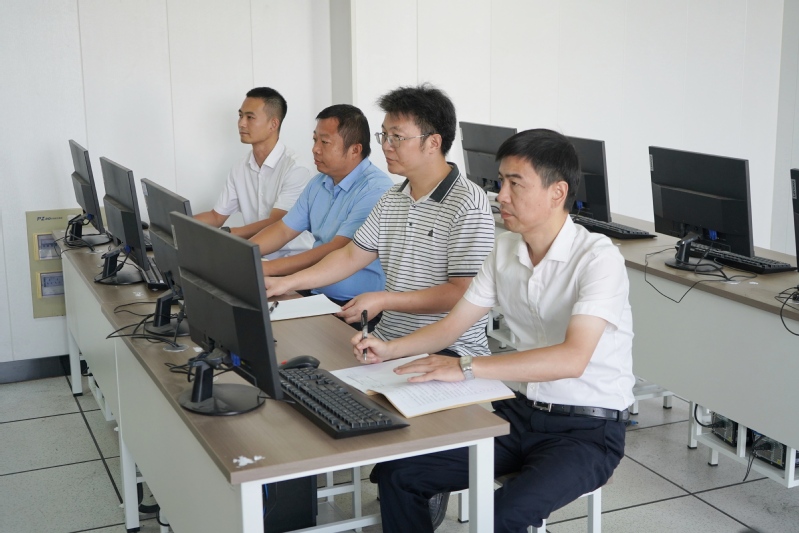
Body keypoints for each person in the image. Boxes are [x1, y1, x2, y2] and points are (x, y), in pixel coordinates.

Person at [353, 129, 635, 532]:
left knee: (499, 517)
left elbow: (572, 359)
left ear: (557, 192)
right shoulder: (504, 249)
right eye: (500, 182)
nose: (500, 195)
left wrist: (466, 366)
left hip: (586, 431)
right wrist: (389, 348)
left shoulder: (598, 259)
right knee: (399, 474)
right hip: (521, 414)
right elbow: (452, 326)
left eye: (515, 184)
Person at [264, 84, 495, 355]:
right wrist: (286, 282)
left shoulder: (468, 202)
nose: (386, 145)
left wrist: (385, 300)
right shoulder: (392, 198)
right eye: (384, 135)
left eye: (397, 137)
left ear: (433, 143)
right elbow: (350, 256)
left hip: (449, 350)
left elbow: (462, 292)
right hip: (386, 339)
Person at [250, 104, 392, 307]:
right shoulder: (318, 183)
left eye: (325, 142)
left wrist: (268, 268)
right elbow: (283, 230)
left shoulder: (375, 189)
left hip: (355, 305)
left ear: (355, 150)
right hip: (315, 293)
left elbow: (337, 248)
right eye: (315, 140)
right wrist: (245, 255)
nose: (315, 149)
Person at [194, 87, 313, 258]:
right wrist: (176, 224)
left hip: (293, 260)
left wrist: (228, 234)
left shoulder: (296, 168)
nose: (241, 123)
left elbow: (277, 222)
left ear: (273, 124)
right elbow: (216, 216)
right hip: (257, 256)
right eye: (240, 115)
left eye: (250, 117)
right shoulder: (240, 167)